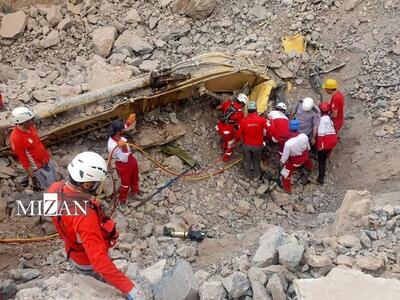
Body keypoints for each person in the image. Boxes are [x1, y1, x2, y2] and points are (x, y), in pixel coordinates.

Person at [49, 152, 145, 300]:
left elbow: (56, 216)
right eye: (95, 182)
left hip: (72, 251)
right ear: (86, 184)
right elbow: (99, 261)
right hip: (86, 261)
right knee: (100, 285)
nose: (98, 186)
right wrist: (129, 288)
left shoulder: (55, 188)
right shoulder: (85, 217)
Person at [10, 107, 56, 189]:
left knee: (53, 182)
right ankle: (53, 200)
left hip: (47, 160)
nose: (33, 121)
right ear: (23, 122)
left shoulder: (30, 128)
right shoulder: (16, 138)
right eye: (31, 120)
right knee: (51, 188)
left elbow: (38, 143)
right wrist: (33, 177)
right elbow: (24, 160)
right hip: (40, 168)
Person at [107, 114, 140, 204]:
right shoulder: (112, 146)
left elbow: (123, 128)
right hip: (123, 164)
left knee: (135, 176)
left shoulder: (116, 134)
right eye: (122, 129)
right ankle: (122, 199)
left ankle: (135, 192)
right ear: (118, 132)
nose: (124, 129)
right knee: (125, 183)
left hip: (131, 159)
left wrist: (128, 123)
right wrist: (124, 147)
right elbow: (123, 158)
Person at [236, 101, 268, 180]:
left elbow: (237, 135)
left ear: (248, 110)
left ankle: (247, 175)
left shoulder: (243, 121)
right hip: (258, 146)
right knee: (256, 160)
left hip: (246, 145)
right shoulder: (262, 120)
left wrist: (240, 140)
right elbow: (269, 129)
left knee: (247, 161)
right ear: (256, 110)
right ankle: (256, 176)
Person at [280, 120, 313, 193]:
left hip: (295, 160)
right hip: (305, 156)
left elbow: (284, 156)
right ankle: (310, 168)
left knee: (285, 173)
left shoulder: (288, 143)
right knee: (307, 159)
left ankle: (287, 189)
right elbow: (308, 148)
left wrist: (282, 162)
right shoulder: (304, 136)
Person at [216, 93, 247, 162]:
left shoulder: (228, 103)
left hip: (218, 126)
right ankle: (225, 158)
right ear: (242, 104)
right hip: (226, 130)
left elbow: (218, 107)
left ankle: (224, 145)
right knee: (231, 143)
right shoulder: (240, 113)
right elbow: (240, 126)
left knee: (227, 137)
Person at [316, 102, 338, 184]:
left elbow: (321, 134)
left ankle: (320, 179)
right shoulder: (329, 119)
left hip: (326, 142)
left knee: (321, 161)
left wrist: (320, 147)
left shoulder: (322, 120)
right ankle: (327, 153)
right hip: (332, 140)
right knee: (325, 155)